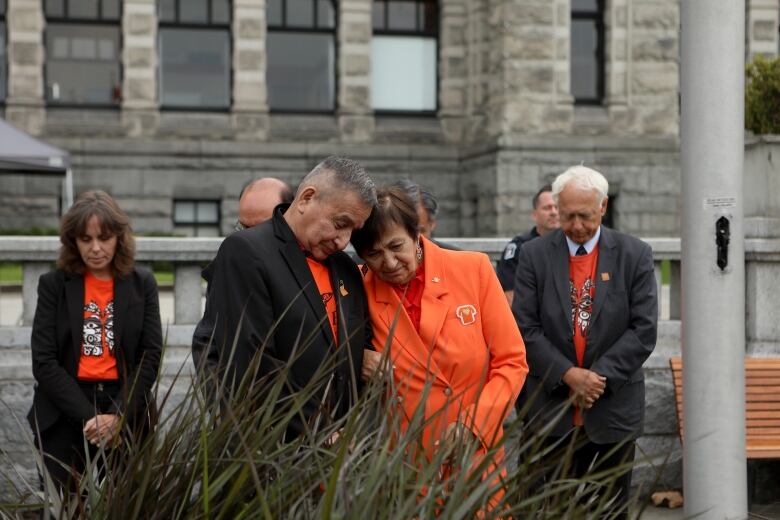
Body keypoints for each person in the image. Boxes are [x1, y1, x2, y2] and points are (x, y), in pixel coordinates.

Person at [352, 186, 528, 509]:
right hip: (405, 460)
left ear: (417, 234)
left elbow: (512, 361)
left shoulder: (472, 269)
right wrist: (356, 357)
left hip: (473, 451)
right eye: (374, 254)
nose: (389, 262)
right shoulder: (359, 287)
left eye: (396, 246)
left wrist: (473, 424)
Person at [512, 166, 657, 516]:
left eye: (585, 216)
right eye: (567, 216)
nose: (576, 225)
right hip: (548, 408)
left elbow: (643, 329)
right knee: (543, 508)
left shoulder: (634, 254)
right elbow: (524, 327)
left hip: (612, 408)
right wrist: (568, 374)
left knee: (609, 509)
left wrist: (595, 378)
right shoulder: (534, 254)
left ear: (603, 207)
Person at [197, 156, 376, 439]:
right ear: (306, 198)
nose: (343, 240)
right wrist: (318, 431)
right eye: (340, 223)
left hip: (342, 451)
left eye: (353, 230)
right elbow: (252, 363)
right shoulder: (246, 251)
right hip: (277, 448)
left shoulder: (345, 268)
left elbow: (359, 346)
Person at [27, 190, 162, 493]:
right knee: (62, 507)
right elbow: (44, 361)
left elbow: (150, 355)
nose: (96, 248)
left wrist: (117, 416)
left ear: (119, 238)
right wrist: (92, 418)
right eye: (86, 239)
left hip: (125, 407)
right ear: (73, 241)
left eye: (104, 238)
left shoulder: (142, 284)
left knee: (129, 504)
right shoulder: (54, 285)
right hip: (64, 410)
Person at [193, 176, 293, 370]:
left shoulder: (310, 265)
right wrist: (218, 393)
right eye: (245, 227)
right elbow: (206, 339)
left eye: (264, 228)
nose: (251, 238)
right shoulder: (231, 264)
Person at [496, 184, 559, 305]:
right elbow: (510, 297)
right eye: (547, 208)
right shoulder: (518, 248)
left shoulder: (572, 245)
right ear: (534, 214)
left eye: (557, 207)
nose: (554, 212)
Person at [392, 179, 458, 250]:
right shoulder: (380, 258)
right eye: (403, 231)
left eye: (418, 231)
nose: (412, 241)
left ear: (432, 224)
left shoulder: (456, 259)